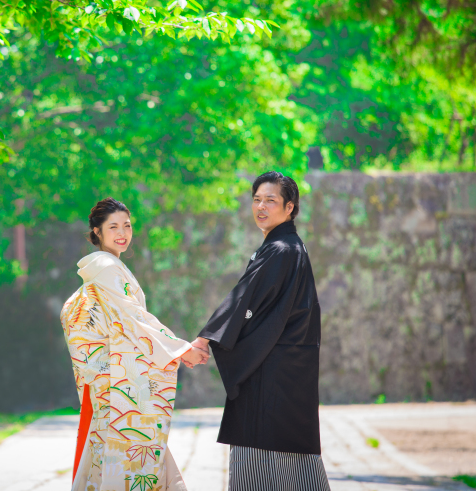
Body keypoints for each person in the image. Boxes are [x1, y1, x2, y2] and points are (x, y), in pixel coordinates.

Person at [192, 171, 331, 491]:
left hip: (272, 372)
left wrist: (205, 339)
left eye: (270, 200)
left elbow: (245, 297)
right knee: (283, 455)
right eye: (256, 200)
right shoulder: (287, 246)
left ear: (290, 207)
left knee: (273, 453)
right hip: (282, 369)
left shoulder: (282, 248)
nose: (261, 207)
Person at [61, 197, 209, 491]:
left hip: (112, 378)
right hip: (117, 380)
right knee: (128, 451)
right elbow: (133, 318)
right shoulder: (106, 267)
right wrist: (180, 349)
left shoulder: (107, 268)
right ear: (97, 232)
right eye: (113, 226)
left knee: (118, 451)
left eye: (127, 226)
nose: (122, 233)